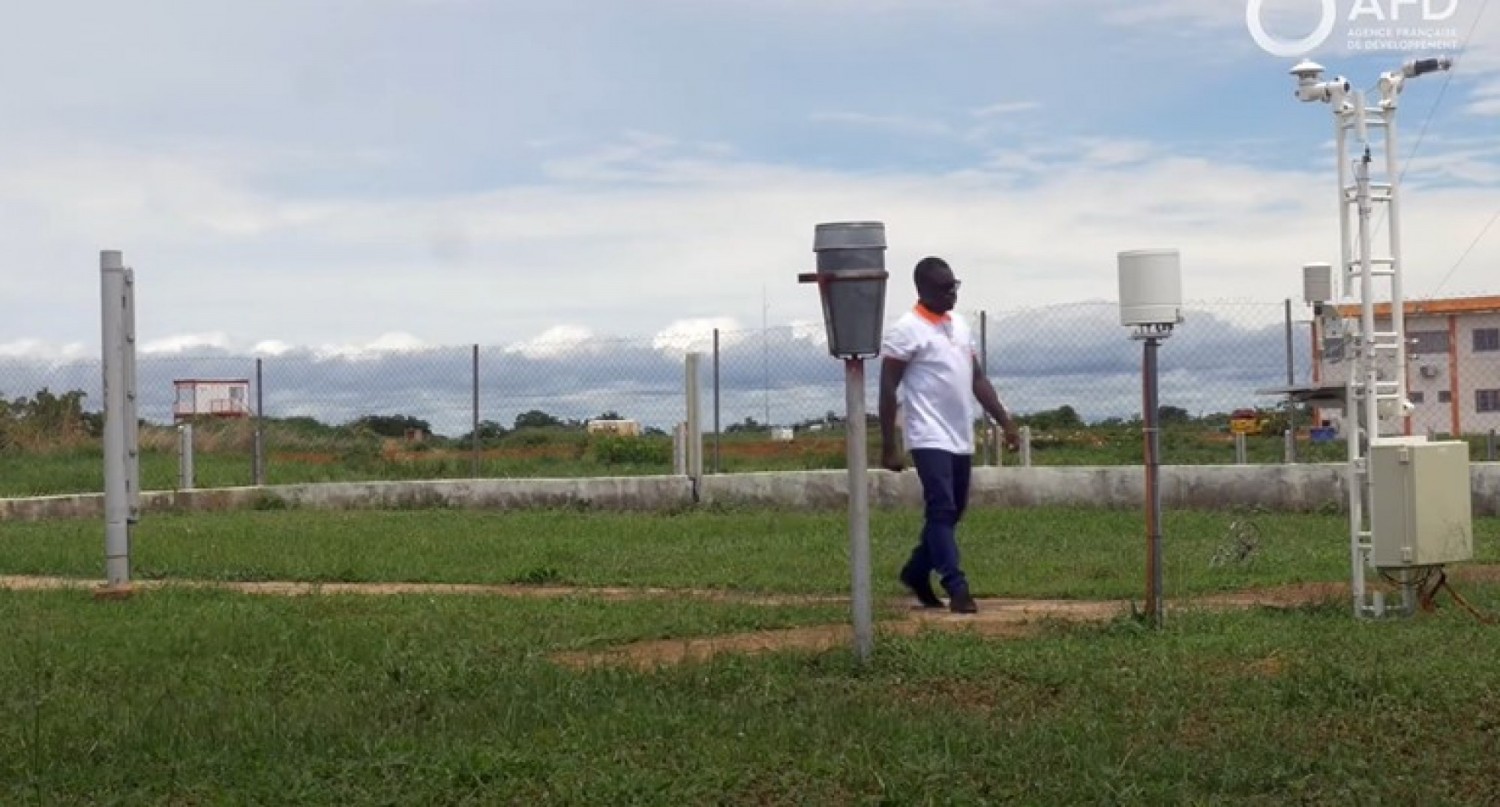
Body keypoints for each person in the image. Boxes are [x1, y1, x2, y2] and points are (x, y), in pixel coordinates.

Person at [879, 256, 1020, 614]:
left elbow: (977, 379)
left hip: (960, 434)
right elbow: (887, 387)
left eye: (954, 286)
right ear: (922, 289)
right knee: (941, 508)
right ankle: (957, 587)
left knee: (953, 512)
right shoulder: (905, 330)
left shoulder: (959, 325)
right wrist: (889, 446)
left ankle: (915, 571)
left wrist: (1005, 421)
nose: (951, 294)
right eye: (944, 288)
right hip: (927, 435)